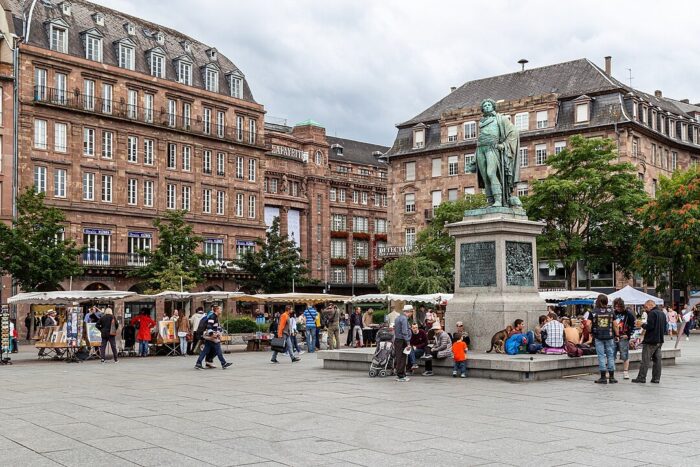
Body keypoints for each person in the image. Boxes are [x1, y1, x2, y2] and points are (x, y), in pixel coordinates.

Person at [467, 98, 522, 208]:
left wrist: (504, 144)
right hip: (481, 149)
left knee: (490, 173)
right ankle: (491, 201)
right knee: (485, 178)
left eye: (489, 105)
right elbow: (480, 139)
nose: (487, 106)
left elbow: (514, 132)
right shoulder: (481, 122)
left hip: (493, 148)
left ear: (493, 107)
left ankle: (499, 200)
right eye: (485, 105)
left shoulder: (500, 119)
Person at [633, 300, 667, 384]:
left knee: (645, 360)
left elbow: (650, 326)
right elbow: (664, 327)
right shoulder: (662, 313)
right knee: (657, 360)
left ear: (651, 305)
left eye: (646, 307)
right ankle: (656, 378)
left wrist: (642, 324)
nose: (645, 309)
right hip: (659, 340)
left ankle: (641, 377)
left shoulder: (652, 313)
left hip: (651, 340)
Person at [590, 294, 618, 384]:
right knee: (610, 355)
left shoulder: (593, 312)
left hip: (598, 336)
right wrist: (617, 335)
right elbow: (615, 325)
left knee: (601, 356)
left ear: (598, 301)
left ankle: (603, 377)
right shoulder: (611, 311)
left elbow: (587, 324)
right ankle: (612, 377)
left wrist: (590, 332)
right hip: (609, 336)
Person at [194, 305, 232, 370]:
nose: (221, 310)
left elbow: (216, 326)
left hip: (211, 337)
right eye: (220, 309)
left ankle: (198, 363)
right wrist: (213, 335)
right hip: (212, 337)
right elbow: (209, 326)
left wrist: (219, 332)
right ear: (216, 310)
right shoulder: (213, 317)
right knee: (218, 350)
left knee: (205, 350)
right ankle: (223, 363)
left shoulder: (215, 317)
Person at [613, 298, 636, 380]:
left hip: (624, 337)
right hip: (614, 337)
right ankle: (610, 372)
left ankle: (626, 372)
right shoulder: (613, 313)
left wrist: (629, 335)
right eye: (616, 306)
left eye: (619, 306)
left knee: (625, 354)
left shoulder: (628, 314)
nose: (618, 308)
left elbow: (634, 326)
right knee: (612, 354)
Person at [393, 305, 413, 382]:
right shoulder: (404, 319)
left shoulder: (398, 318)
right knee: (402, 358)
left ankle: (400, 374)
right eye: (411, 312)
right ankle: (401, 375)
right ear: (408, 312)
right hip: (402, 340)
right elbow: (404, 331)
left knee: (399, 357)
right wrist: (408, 343)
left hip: (398, 340)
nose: (411, 314)